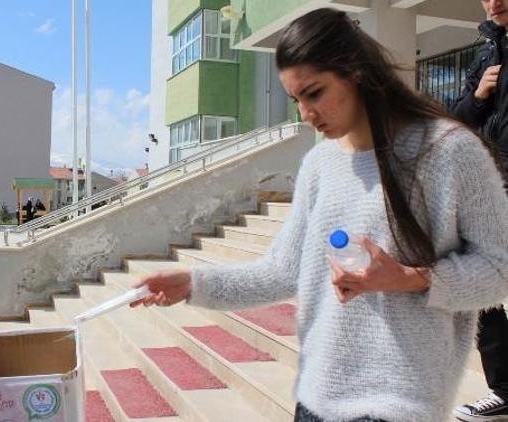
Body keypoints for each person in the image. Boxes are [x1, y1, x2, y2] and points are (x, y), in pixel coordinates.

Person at [132, 8, 508, 422]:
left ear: (357, 73)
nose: (305, 114)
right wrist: (190, 283)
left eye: (314, 93)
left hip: (399, 403)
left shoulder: (449, 151)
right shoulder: (319, 164)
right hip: (316, 399)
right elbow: (282, 271)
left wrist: (412, 279)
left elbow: (499, 268)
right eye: (296, 99)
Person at [449, 0, 508, 419]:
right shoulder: (486, 51)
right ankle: (505, 388)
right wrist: (480, 93)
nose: (494, 2)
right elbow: (458, 117)